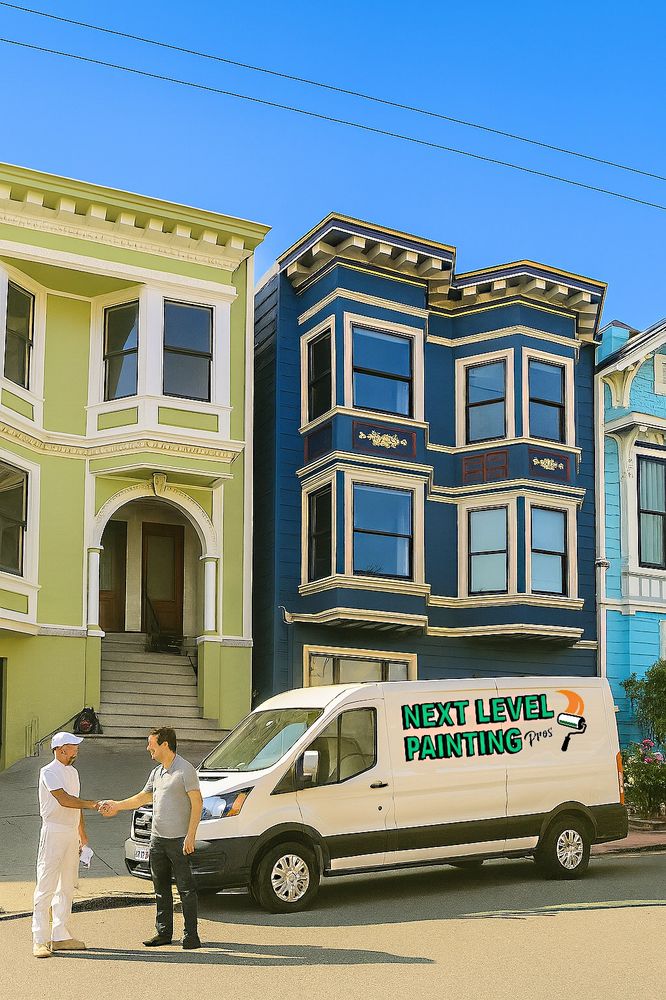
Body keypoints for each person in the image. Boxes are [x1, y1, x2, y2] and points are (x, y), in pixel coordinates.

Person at [99, 727, 203, 949]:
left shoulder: (185, 770)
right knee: (160, 888)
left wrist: (190, 835)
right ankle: (163, 933)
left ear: (164, 745)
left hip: (179, 840)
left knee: (186, 889)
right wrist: (116, 805)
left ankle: (191, 936)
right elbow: (141, 798)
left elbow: (198, 803)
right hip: (157, 840)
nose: (148, 749)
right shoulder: (157, 773)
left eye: (151, 744)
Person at [32, 732, 100, 959]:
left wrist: (83, 837)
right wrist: (94, 804)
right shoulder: (48, 771)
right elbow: (64, 799)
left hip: (71, 834)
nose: (77, 750)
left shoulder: (73, 772)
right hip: (53, 832)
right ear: (61, 750)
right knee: (46, 884)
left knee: (67, 885)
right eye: (73, 747)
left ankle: (60, 935)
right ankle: (40, 940)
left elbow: (75, 806)